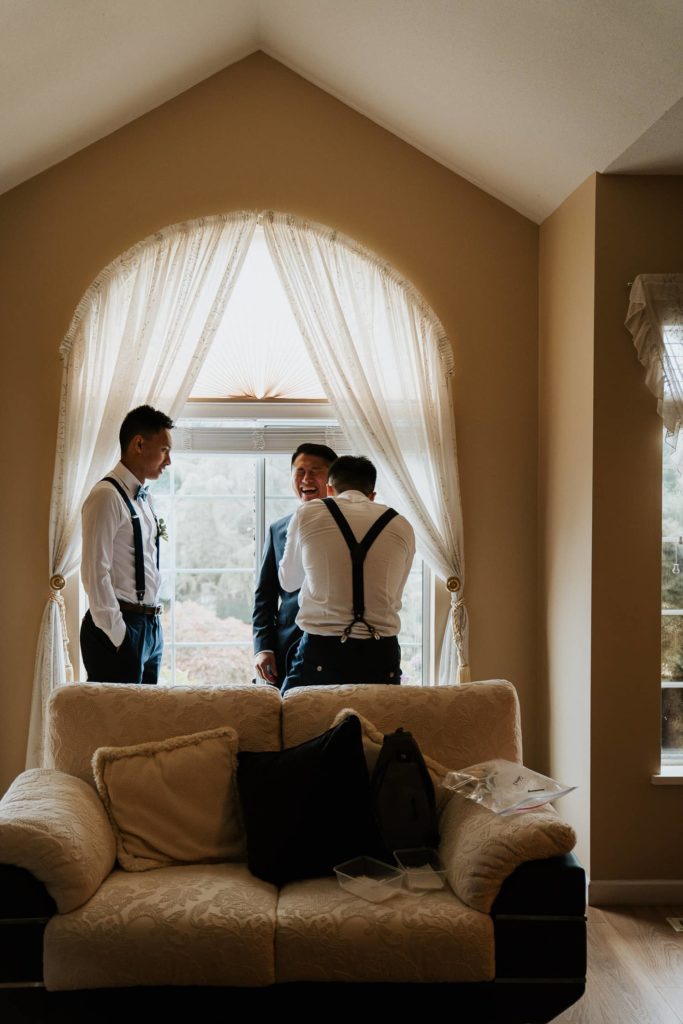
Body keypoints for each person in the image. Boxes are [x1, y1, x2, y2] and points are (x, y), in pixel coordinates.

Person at [278, 455, 415, 692]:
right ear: (372, 495)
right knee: (378, 726)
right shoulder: (401, 525)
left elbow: (289, 582)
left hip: (322, 650)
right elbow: (395, 595)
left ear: (330, 489)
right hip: (381, 652)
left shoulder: (307, 514)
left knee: (294, 723)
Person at [80, 404, 173, 684]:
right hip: (120, 629)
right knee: (119, 726)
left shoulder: (145, 499)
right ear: (139, 444)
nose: (169, 461)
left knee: (147, 723)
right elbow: (95, 573)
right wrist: (120, 636)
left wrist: (152, 632)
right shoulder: (106, 497)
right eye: (165, 450)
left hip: (150, 628)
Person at [252, 442, 337, 684]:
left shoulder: (349, 528)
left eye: (315, 471)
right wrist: (263, 647)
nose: (306, 478)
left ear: (332, 479)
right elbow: (264, 595)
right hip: (287, 647)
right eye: (300, 471)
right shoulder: (278, 529)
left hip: (337, 645)